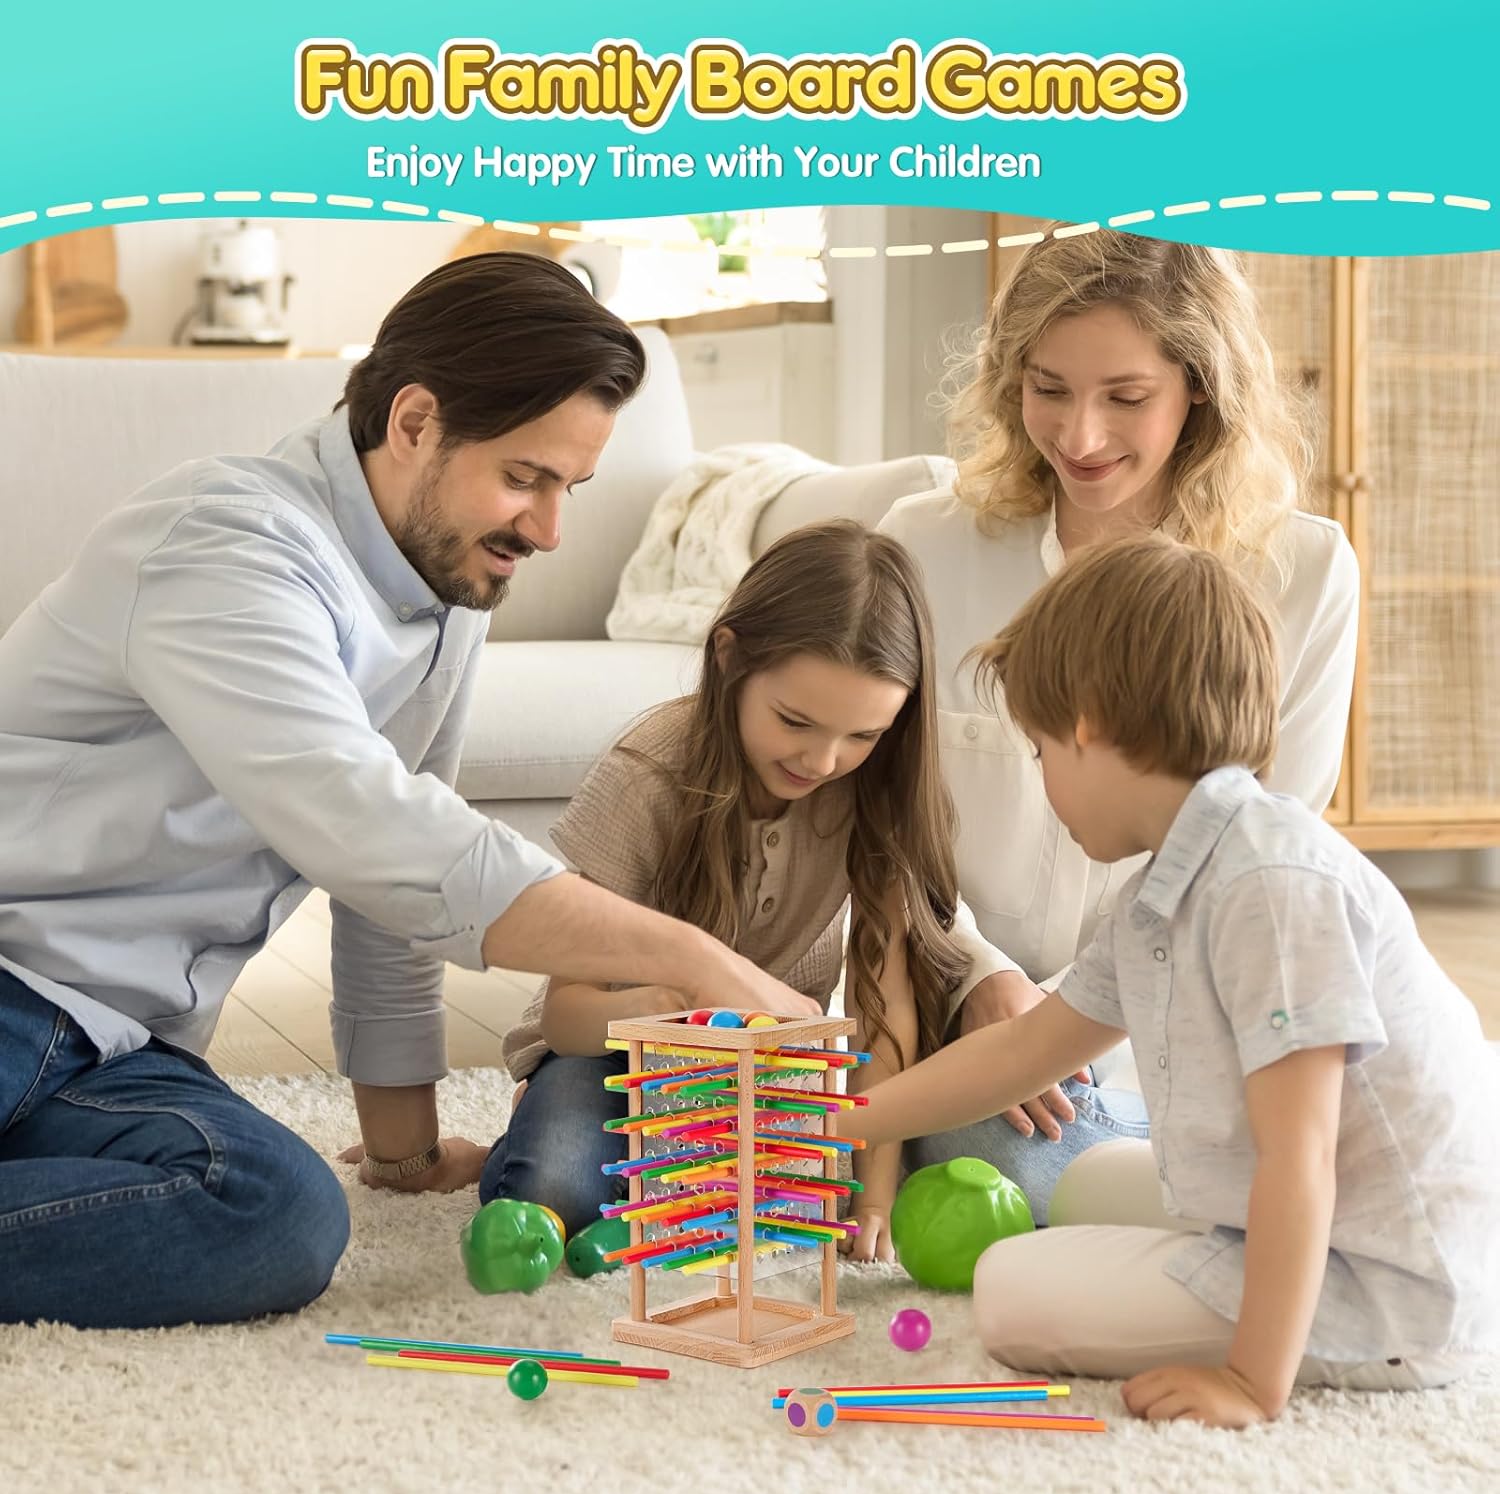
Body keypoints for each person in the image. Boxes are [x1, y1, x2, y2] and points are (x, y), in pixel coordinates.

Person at [0, 252, 818, 1330]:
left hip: (110, 1048)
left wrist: (404, 1153)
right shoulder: (224, 545)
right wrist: (696, 958)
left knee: (279, 1218)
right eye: (526, 477)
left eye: (569, 489)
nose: (548, 528)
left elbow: (396, 891)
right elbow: (384, 835)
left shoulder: (445, 593)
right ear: (416, 420)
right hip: (12, 988)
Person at [855, 534, 1500, 1427]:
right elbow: (1028, 1050)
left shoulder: (1269, 883)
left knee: (1009, 1292)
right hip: (1317, 1221)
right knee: (1083, 1184)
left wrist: (1249, 1382)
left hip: (1389, 1283)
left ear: (1084, 724)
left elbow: (1300, 1155)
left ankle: (1279, 1343)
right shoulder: (1169, 888)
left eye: (1040, 754)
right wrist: (842, 1120)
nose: (1044, 782)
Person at [879, 227, 1361, 1221]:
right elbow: (875, 821)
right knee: (1003, 1159)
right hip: (958, 1009)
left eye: (1125, 398)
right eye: (1047, 388)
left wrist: (1064, 1023)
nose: (1081, 435)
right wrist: (983, 979)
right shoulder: (921, 549)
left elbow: (1263, 844)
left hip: (1171, 1022)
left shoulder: (1306, 577)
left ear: (1200, 390)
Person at [486, 519, 967, 1249]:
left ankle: (622, 1159)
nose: (824, 759)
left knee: (791, 1210)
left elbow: (884, 1004)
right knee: (553, 1190)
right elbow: (566, 1017)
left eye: (863, 735)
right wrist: (666, 1007)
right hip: (609, 1051)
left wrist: (873, 1197)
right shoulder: (647, 775)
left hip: (763, 1074)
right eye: (795, 720)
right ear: (730, 657)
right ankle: (533, 1136)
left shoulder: (877, 792)